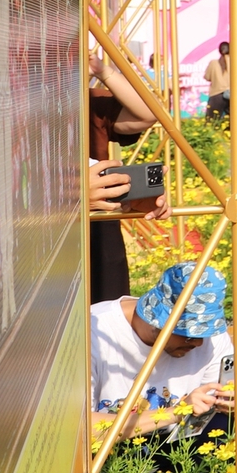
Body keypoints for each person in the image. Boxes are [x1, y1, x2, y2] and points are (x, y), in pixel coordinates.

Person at [90, 263, 235, 439]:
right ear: (156, 321)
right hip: (113, 450)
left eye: (205, 333)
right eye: (188, 335)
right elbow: (80, 430)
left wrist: (236, 400)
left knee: (231, 431)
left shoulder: (211, 341)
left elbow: (218, 409)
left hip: (177, 442)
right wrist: (174, 412)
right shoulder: (94, 334)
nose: (198, 343)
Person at [89, 45, 159, 303]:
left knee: (105, 304)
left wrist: (103, 71)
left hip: (97, 221)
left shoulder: (90, 101)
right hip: (44, 222)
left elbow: (149, 114)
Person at [203, 42, 231, 117]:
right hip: (232, 94)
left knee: (212, 121)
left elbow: (207, 77)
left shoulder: (213, 63)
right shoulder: (235, 62)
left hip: (216, 94)